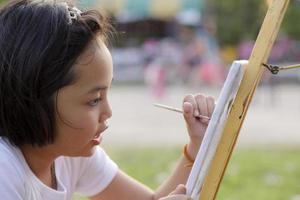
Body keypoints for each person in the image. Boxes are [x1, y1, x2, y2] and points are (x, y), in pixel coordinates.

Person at [0, 1, 215, 200]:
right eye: (94, 100)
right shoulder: (5, 171)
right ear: (32, 97)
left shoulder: (71, 153)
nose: (108, 112)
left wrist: (197, 148)